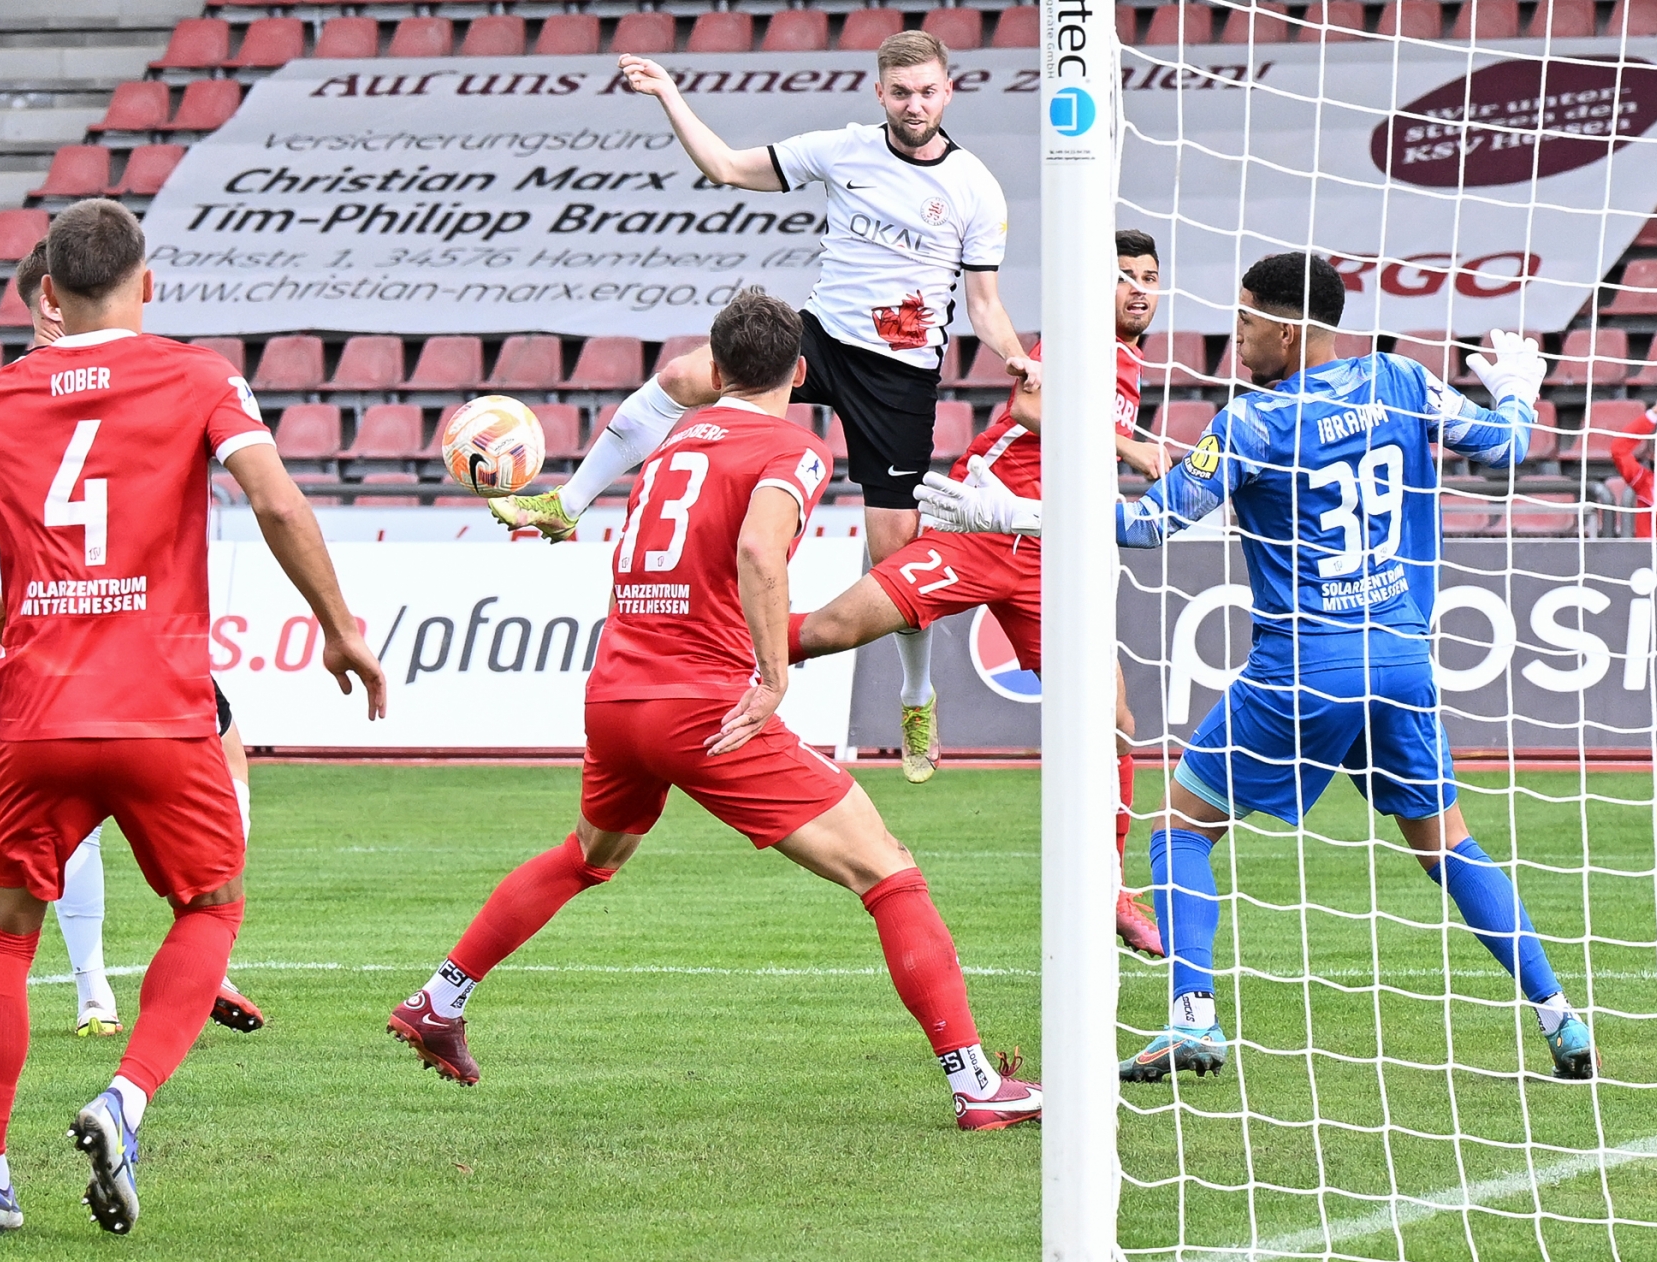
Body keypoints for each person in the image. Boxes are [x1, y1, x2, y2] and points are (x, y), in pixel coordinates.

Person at [918, 252, 1594, 1084]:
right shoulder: (1402, 381)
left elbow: (1147, 524)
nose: (1234, 337)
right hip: (1401, 663)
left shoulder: (1252, 423)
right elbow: (1510, 444)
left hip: (1301, 668)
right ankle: (1561, 1015)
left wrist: (1014, 510)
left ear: (1286, 330)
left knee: (1178, 830)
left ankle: (1192, 1016)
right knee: (1449, 846)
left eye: (1243, 321)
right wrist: (1519, 387)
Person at [388, 289, 1041, 1132]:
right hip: (702, 706)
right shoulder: (794, 448)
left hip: (617, 693)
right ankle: (975, 1083)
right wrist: (770, 675)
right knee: (888, 871)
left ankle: (440, 998)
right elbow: (758, 548)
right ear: (800, 373)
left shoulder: (669, 445)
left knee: (588, 854)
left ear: (717, 368)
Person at [0, 199, 387, 1236]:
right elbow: (277, 501)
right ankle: (125, 1097)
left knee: (4, 933)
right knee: (211, 907)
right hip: (160, 711)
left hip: (40, 711)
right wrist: (339, 628)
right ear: (148, 285)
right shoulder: (198, 377)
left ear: (49, 293)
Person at [488, 31, 1032, 783]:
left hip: (900, 376)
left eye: (928, 91)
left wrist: (1016, 355)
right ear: (881, 93)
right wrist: (669, 94)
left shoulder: (975, 187)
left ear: (948, 92)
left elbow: (984, 305)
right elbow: (725, 166)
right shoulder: (842, 150)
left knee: (893, 553)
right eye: (902, 92)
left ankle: (916, 695)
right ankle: (568, 503)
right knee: (683, 376)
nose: (915, 105)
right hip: (818, 340)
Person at [786, 229, 1172, 957]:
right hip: (980, 522)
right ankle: (721, 654)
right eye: (1125, 275)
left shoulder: (1135, 360)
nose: (1140, 289)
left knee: (1114, 718)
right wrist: (1129, 447)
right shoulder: (1079, 339)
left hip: (1047, 554)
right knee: (832, 629)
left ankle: (1111, 890)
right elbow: (1029, 409)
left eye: (1150, 277)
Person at [0, 240, 267, 1038]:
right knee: (219, 770)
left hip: (44, 654)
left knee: (55, 840)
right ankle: (194, 951)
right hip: (139, 646)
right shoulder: (149, 377)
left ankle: (94, 989)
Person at [1608, 396, 1657, 538]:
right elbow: (1619, 449)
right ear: (1652, 455)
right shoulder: (1644, 481)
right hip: (1648, 552)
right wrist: (1652, 415)